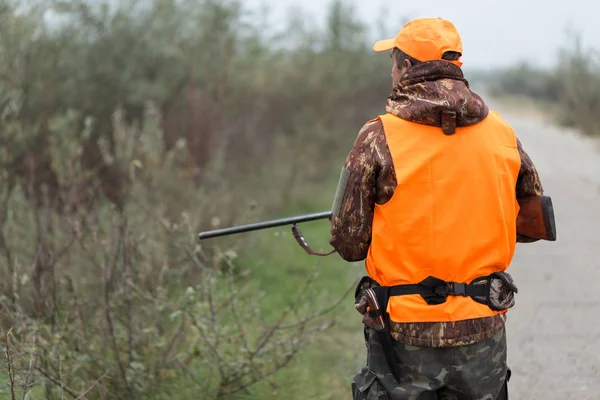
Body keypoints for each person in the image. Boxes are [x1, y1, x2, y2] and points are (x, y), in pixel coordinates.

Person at [329, 17, 547, 400]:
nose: (392, 73)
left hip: (402, 330)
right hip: (483, 324)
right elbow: (531, 223)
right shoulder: (501, 133)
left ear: (408, 67)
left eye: (394, 64)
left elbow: (348, 244)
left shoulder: (378, 135)